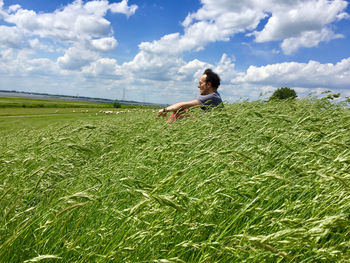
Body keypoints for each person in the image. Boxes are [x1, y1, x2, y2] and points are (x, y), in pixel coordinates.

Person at [157, 68, 223, 122]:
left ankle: (165, 130)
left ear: (208, 85)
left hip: (209, 128)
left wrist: (164, 110)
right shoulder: (215, 95)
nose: (198, 86)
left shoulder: (212, 96)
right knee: (183, 111)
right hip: (207, 123)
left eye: (200, 83)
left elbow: (182, 105)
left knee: (179, 111)